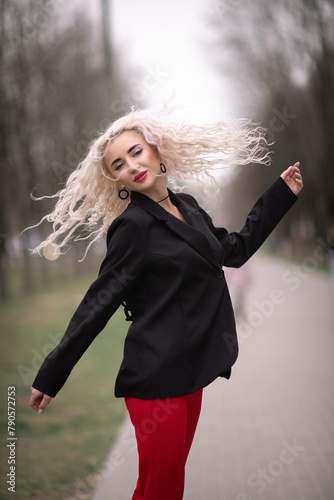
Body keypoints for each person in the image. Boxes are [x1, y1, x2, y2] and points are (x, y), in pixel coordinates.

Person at [29, 108, 303, 500]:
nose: (132, 166)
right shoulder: (132, 227)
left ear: (156, 152)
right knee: (164, 490)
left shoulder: (189, 208)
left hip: (189, 376)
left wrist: (280, 195)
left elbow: (236, 250)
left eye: (136, 152)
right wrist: (52, 373)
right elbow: (98, 303)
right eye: (119, 165)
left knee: (157, 488)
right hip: (155, 382)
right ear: (118, 180)